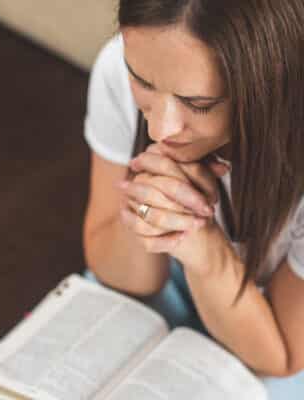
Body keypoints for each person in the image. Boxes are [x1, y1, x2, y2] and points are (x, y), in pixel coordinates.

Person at [81, 0, 304, 398]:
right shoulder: (118, 67)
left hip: (277, 321)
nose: (160, 128)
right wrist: (150, 203)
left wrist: (206, 248)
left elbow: (282, 356)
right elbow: (125, 279)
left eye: (198, 104)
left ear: (273, 79)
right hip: (182, 276)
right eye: (143, 82)